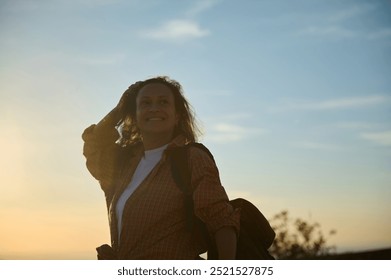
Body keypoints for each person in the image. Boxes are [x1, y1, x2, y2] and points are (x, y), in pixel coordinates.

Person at [82, 76, 239, 259]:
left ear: (177, 115)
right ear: (135, 115)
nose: (154, 108)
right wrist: (120, 108)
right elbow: (94, 143)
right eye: (145, 103)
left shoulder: (192, 158)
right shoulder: (123, 165)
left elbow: (221, 220)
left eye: (163, 102)